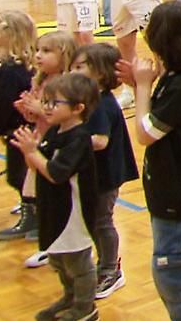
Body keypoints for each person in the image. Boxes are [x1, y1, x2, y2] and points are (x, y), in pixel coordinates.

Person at [121, 1, 181, 320]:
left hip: (178, 202)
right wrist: (140, 84)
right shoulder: (180, 78)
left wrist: (143, 87)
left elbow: (146, 132)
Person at [10, 73, 99, 321]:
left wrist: (33, 152)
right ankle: (69, 297)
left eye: (53, 103)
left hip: (73, 211)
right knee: (58, 259)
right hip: (54, 207)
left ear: (77, 108)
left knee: (78, 264)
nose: (46, 107)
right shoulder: (55, 131)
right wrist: (30, 146)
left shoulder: (80, 138)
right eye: (45, 101)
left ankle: (85, 307)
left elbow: (57, 173)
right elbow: (38, 163)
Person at [72, 43, 140, 298]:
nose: (72, 71)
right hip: (94, 173)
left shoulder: (101, 104)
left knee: (102, 221)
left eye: (80, 67)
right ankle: (102, 263)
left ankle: (111, 269)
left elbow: (100, 141)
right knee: (95, 220)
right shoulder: (89, 100)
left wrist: (71, 138)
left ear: (99, 73)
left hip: (107, 173)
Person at [9, 31, 79, 262]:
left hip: (57, 146)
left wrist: (40, 110)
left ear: (65, 56)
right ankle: (43, 230)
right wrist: (27, 110)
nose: (38, 55)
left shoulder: (68, 85)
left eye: (47, 51)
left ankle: (55, 240)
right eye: (38, 50)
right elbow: (36, 118)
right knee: (35, 188)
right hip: (40, 141)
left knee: (53, 192)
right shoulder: (39, 80)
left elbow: (64, 118)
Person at [0, 11, 37, 239]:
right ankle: (31, 207)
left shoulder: (5, 69)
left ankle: (33, 215)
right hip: (29, 126)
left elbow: (1, 103)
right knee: (24, 174)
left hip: (17, 129)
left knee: (20, 175)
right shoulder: (30, 65)